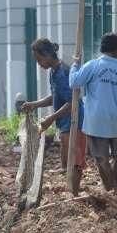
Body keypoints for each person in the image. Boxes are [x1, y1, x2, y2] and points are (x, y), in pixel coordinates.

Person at [69, 32, 117, 197]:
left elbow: (74, 82)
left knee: (101, 158)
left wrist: (74, 65)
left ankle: (109, 187)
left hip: (96, 122)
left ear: (102, 48)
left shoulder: (92, 66)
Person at [21, 38, 87, 194]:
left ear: (48, 54)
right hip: (64, 121)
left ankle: (74, 193)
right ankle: (71, 192)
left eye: (39, 59)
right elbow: (55, 97)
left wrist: (50, 119)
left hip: (74, 120)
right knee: (66, 161)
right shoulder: (54, 71)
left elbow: (72, 102)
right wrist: (34, 104)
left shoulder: (63, 72)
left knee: (74, 160)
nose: (39, 64)